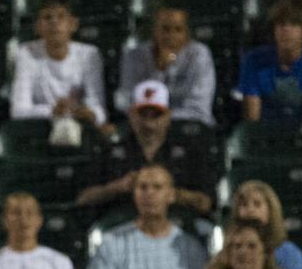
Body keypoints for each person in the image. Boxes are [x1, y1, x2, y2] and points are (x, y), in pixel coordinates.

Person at [76, 81, 214, 216]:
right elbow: (83, 199)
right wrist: (117, 187)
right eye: (143, 115)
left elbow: (206, 203)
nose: (149, 124)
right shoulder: (110, 150)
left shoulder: (189, 151)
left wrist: (168, 193)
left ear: (168, 116)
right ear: (131, 115)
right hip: (120, 228)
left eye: (156, 116)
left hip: (177, 226)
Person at [85, 165, 207, 269]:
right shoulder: (112, 243)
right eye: (142, 187)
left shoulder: (190, 247)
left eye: (157, 187)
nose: (149, 193)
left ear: (171, 195)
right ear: (134, 194)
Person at [9, 0, 107, 128]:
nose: (54, 22)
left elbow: (98, 107)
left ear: (73, 24)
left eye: (61, 17)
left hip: (80, 126)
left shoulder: (90, 54)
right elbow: (18, 110)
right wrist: (53, 111)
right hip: (40, 128)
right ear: (37, 27)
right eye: (47, 17)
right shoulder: (25, 53)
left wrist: (88, 113)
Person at [116, 2, 215, 125]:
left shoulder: (199, 55)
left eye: (178, 30)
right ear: (154, 30)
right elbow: (125, 100)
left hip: (188, 125)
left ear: (187, 34)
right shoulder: (134, 56)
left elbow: (199, 108)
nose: (171, 36)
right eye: (165, 29)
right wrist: (160, 68)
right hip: (144, 127)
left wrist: (159, 119)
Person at [228, 179, 302, 269]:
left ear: (270, 211)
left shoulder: (289, 253)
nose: (250, 209)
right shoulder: (227, 252)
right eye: (244, 205)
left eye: (257, 204)